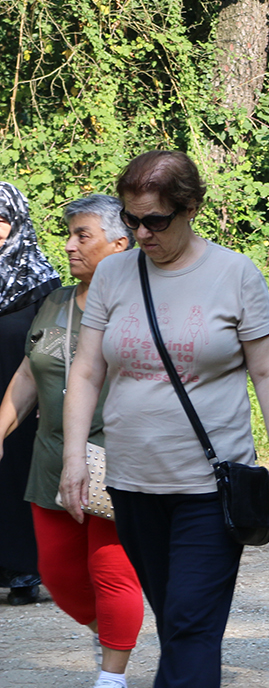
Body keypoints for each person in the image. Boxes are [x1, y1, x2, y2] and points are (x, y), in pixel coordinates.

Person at [59, 150, 269, 688]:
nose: (142, 233)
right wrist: (74, 459)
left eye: (156, 220)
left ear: (190, 207)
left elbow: (267, 371)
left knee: (191, 625)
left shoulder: (235, 274)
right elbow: (85, 372)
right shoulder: (114, 276)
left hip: (209, 488)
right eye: (131, 219)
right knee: (176, 619)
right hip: (132, 484)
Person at [0, 194, 141, 687]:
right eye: (69, 234)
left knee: (111, 572)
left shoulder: (142, 303)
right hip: (51, 458)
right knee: (59, 576)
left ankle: (112, 676)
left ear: (120, 244)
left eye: (83, 235)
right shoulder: (55, 300)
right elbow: (28, 372)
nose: (70, 245)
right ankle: (112, 636)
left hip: (117, 458)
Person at [0, 183, 60, 606]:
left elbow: (57, 346)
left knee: (17, 478)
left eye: (1, 219)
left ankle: (23, 569)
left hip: (23, 402)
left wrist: (55, 394)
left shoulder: (42, 285)